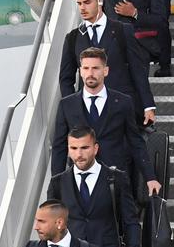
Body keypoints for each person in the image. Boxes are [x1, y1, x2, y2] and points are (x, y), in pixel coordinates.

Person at [53, 47, 160, 195]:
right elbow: (59, 146)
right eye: (86, 68)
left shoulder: (123, 102)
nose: (90, 73)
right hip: (80, 182)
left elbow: (136, 141)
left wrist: (150, 177)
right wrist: (56, 185)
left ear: (106, 71)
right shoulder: (67, 105)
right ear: (81, 71)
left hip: (116, 180)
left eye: (96, 68)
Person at [60, 0, 155, 122]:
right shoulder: (73, 38)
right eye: (79, 4)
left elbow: (138, 69)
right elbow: (66, 78)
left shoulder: (122, 30)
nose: (82, 8)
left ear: (100, 2)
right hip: (89, 111)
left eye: (87, 2)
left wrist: (148, 105)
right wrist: (72, 108)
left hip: (121, 108)